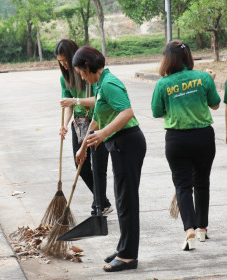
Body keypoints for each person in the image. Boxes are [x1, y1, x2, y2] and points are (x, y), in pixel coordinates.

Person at [74, 46, 146, 272]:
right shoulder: (100, 83)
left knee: (127, 200)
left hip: (128, 142)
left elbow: (127, 112)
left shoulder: (109, 83)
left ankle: (128, 256)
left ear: (87, 66)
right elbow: (97, 117)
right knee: (121, 198)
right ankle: (123, 247)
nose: (81, 76)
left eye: (80, 72)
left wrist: (103, 134)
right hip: (119, 143)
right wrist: (83, 145)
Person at [151, 40, 220, 251]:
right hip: (203, 137)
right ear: (188, 56)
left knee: (182, 185)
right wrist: (210, 80)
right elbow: (215, 104)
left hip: (176, 140)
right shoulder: (203, 77)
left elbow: (156, 112)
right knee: (202, 182)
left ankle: (188, 228)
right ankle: (202, 229)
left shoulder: (163, 83)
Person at [54, 39, 112, 215]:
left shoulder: (92, 74)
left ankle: (99, 206)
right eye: (60, 62)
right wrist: (64, 125)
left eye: (65, 61)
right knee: (82, 165)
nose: (64, 65)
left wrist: (75, 100)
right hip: (78, 124)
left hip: (97, 122)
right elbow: (68, 105)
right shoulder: (65, 78)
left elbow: (99, 101)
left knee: (99, 167)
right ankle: (102, 201)